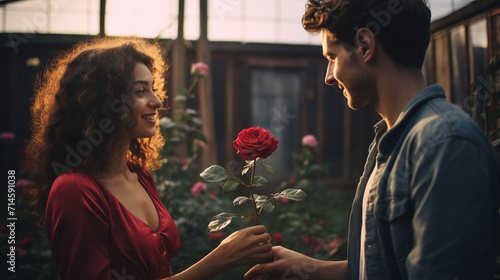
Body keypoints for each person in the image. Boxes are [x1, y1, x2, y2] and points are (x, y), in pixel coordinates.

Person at [244, 0, 500, 279]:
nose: (329, 77)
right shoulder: (387, 141)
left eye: (332, 59)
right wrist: (314, 270)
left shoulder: (445, 144)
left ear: (365, 45)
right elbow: (387, 268)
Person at [24, 37, 272, 280]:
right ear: (103, 102)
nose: (157, 101)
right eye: (141, 91)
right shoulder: (75, 189)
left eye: (153, 88)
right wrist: (219, 261)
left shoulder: (141, 178)